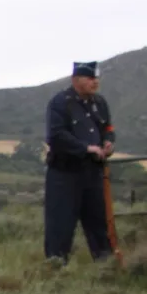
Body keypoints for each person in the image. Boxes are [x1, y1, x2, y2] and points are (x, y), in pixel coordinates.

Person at [43, 60, 116, 264]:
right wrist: (86, 148)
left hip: (93, 173)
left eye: (96, 78)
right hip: (65, 174)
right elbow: (56, 136)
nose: (95, 82)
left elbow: (108, 128)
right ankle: (56, 267)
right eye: (90, 78)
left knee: (99, 224)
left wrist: (108, 142)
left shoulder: (99, 103)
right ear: (75, 80)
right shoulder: (60, 102)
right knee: (61, 225)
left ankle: (106, 267)